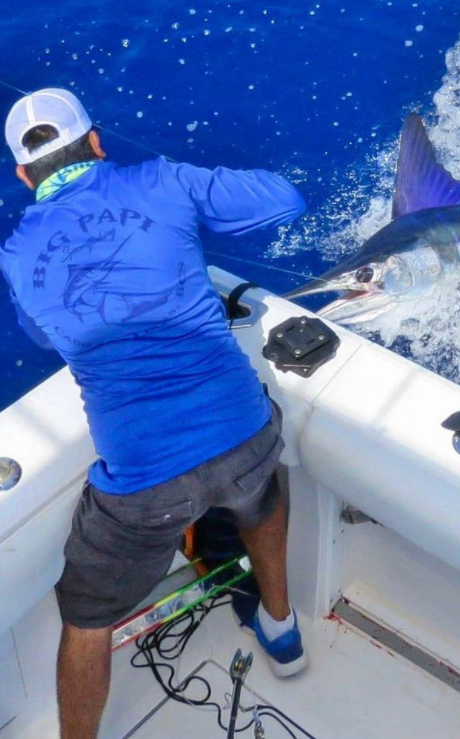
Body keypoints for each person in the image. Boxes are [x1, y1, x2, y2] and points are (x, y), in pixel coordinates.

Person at [1, 88, 308, 739]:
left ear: (25, 176)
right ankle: (282, 632)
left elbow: (42, 335)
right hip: (242, 434)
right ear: (96, 142)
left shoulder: (18, 253)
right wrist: (184, 201)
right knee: (258, 490)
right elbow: (285, 199)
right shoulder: (161, 180)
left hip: (144, 488)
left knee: (87, 614)